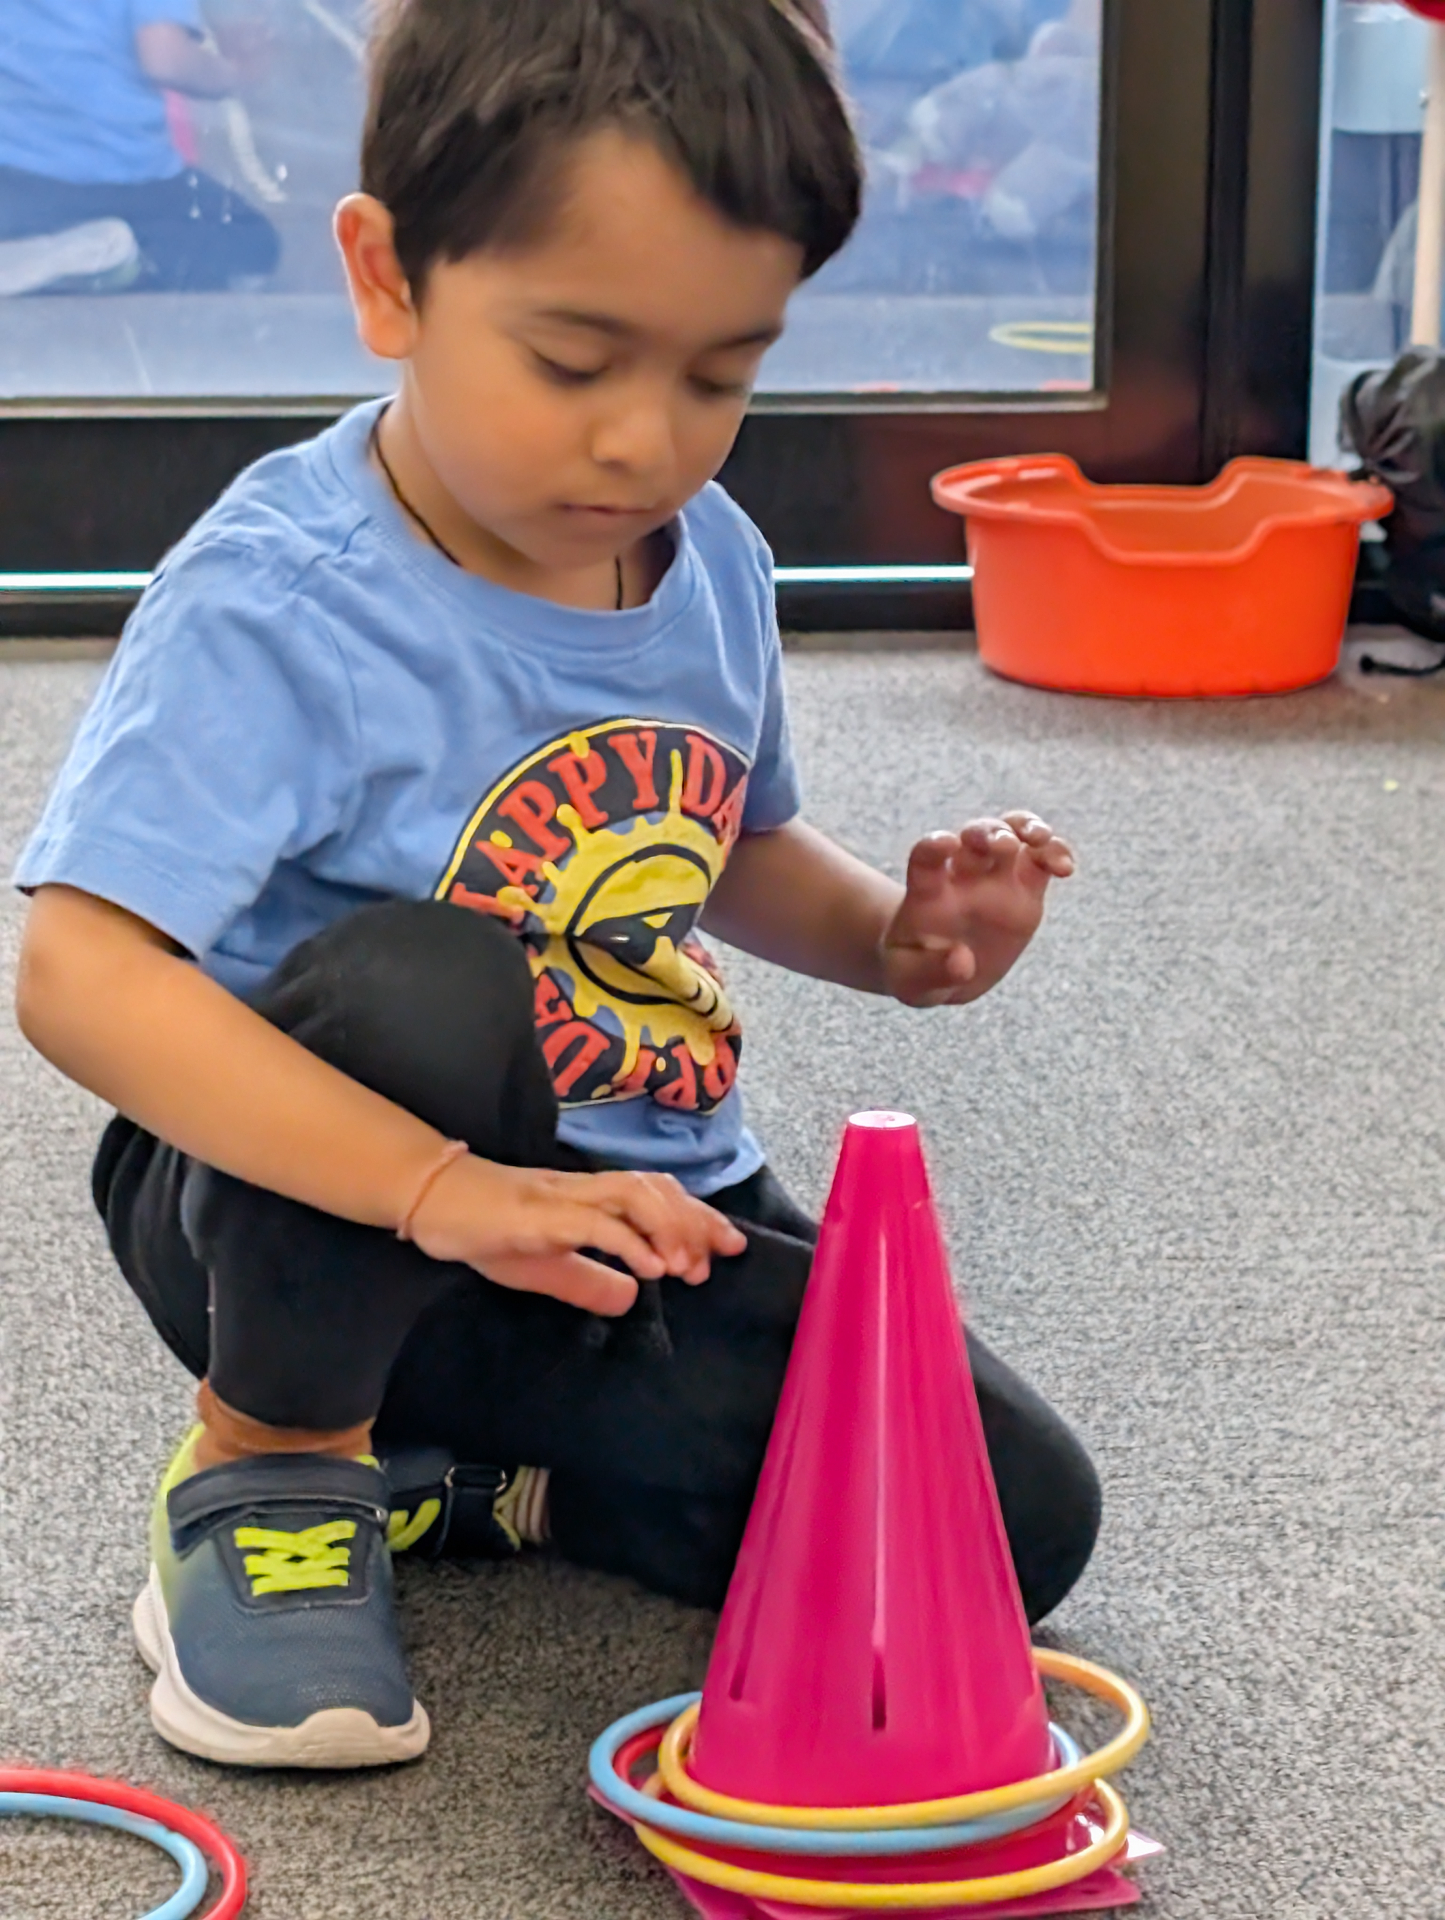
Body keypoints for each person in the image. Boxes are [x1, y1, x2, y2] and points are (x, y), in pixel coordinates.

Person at [13, 0, 1100, 1772]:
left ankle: (488, 1490)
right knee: (424, 983)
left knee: (1011, 1525)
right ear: (388, 282)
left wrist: (897, 945)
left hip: (627, 1213)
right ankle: (270, 1477)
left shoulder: (709, 559)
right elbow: (77, 972)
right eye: (576, 362)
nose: (643, 445)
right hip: (304, 1215)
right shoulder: (285, 601)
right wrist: (441, 1190)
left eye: (718, 373)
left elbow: (719, 846)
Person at [0, 0, 279, 295]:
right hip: (122, 174)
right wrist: (233, 73)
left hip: (14, 180)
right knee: (250, 238)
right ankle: (113, 258)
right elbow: (164, 58)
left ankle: (26, 247)